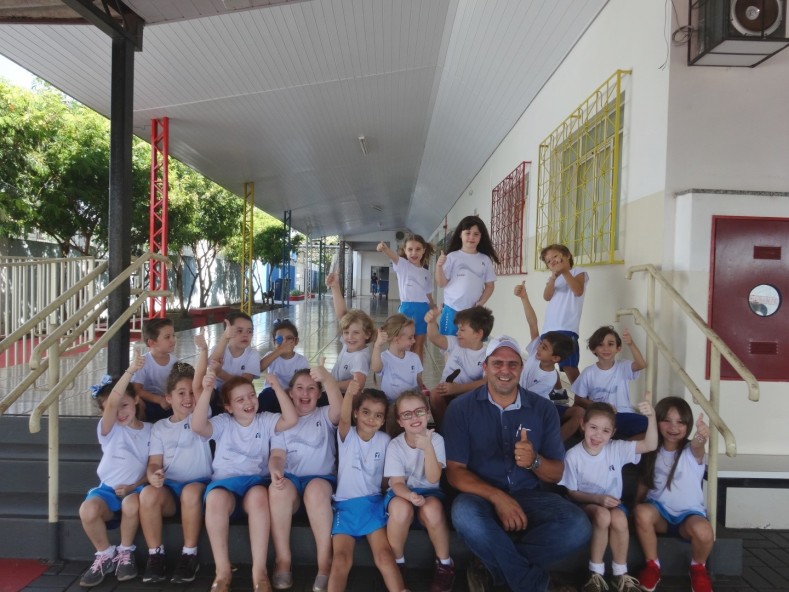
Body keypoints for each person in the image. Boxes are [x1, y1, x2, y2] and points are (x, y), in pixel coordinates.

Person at [442, 335, 591, 591]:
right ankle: (535, 582)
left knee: (578, 525)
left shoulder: (542, 409)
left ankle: (493, 567)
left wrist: (534, 461)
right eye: (497, 363)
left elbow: (556, 474)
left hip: (530, 495)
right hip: (481, 496)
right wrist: (499, 498)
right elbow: (455, 473)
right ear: (485, 367)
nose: (505, 370)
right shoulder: (461, 409)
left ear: (521, 369)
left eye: (512, 364)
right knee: (464, 513)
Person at [191, 365, 298, 592]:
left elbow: (290, 420)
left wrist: (278, 387)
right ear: (229, 407)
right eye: (239, 400)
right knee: (215, 499)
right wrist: (207, 390)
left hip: (253, 483)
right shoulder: (223, 422)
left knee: (260, 496)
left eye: (251, 395)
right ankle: (222, 571)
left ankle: (259, 571)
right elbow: (198, 426)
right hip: (225, 483)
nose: (248, 402)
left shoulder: (265, 420)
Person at [560, 399, 657, 592]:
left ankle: (620, 574)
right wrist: (598, 499)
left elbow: (650, 445)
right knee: (603, 516)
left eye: (605, 431)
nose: (598, 435)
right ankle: (595, 573)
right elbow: (572, 493)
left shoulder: (616, 448)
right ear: (583, 425)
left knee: (620, 519)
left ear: (612, 433)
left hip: (613, 505)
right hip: (586, 503)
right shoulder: (573, 455)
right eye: (593, 427)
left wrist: (651, 417)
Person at [268, 362, 342, 592]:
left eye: (311, 389)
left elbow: (339, 409)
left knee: (316, 490)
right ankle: (283, 559)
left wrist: (328, 379)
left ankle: (324, 562)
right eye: (299, 388)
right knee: (277, 490)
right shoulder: (282, 422)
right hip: (293, 482)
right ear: (290, 393)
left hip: (321, 482)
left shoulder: (324, 415)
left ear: (319, 394)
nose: (305, 393)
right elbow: (277, 455)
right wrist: (276, 470)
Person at [78, 357, 150, 587]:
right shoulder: (108, 429)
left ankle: (125, 552)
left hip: (135, 490)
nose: (120, 412)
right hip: (108, 491)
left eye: (125, 405)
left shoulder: (151, 431)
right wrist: (130, 371)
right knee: (87, 510)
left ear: (136, 400)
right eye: (113, 408)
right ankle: (105, 554)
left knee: (131, 503)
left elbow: (152, 468)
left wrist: (132, 487)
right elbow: (112, 403)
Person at [139, 362, 213, 585]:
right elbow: (154, 463)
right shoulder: (160, 427)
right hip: (171, 489)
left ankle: (189, 554)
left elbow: (200, 388)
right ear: (168, 398)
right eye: (181, 393)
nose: (187, 397)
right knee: (148, 495)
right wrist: (153, 475)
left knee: (191, 493)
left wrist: (203, 355)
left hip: (198, 484)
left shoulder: (201, 417)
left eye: (191, 392)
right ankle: (155, 555)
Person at [327, 382, 405, 592]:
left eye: (378, 415)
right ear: (355, 414)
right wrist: (350, 394)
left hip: (373, 506)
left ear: (383, 420)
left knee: (385, 556)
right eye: (366, 412)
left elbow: (385, 478)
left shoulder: (386, 440)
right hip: (346, 507)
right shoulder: (347, 435)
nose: (371, 418)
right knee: (341, 559)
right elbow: (342, 419)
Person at [634, 397, 714, 592]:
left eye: (680, 422)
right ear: (658, 421)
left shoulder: (691, 451)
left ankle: (698, 568)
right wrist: (635, 506)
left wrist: (701, 435)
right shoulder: (652, 449)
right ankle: (653, 565)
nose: (673, 427)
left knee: (705, 531)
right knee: (641, 512)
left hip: (688, 518)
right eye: (667, 420)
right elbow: (645, 482)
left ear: (687, 425)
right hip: (659, 514)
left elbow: (697, 445)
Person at [384, 391, 454, 592]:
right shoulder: (396, 445)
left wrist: (427, 448)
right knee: (399, 508)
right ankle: (397, 563)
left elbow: (433, 478)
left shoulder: (437, 440)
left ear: (428, 413)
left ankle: (445, 564)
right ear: (399, 421)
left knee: (433, 509)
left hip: (430, 493)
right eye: (407, 414)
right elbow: (396, 483)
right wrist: (409, 495)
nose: (414, 417)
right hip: (403, 494)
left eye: (419, 411)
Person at [514, 281, 584, 442]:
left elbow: (528, 397)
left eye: (544, 347)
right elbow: (533, 323)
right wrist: (524, 297)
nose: (538, 347)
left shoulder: (550, 377)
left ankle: (555, 443)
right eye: (541, 344)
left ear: (555, 359)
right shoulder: (534, 353)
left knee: (579, 412)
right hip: (526, 407)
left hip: (538, 409)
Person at [573, 326, 648, 440]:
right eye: (601, 345)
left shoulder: (623, 366)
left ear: (618, 348)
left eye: (610, 344)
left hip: (623, 415)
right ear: (594, 349)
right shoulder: (588, 373)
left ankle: (621, 446)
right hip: (600, 416)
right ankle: (615, 441)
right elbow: (578, 400)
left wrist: (631, 344)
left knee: (651, 426)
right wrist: (601, 407)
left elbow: (641, 364)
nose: (606, 348)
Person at [424, 305, 493, 427]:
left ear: (478, 334)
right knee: (435, 395)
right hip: (446, 393)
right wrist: (431, 321)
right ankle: (443, 431)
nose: (457, 333)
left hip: (468, 398)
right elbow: (434, 338)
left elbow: (486, 382)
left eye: (462, 330)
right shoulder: (455, 343)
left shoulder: (486, 355)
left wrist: (458, 389)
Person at [435, 215, 499, 336]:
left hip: (472, 312)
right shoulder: (452, 257)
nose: (471, 237)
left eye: (476, 234)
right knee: (449, 346)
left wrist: (481, 303)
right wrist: (438, 266)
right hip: (451, 309)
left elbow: (490, 286)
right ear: (460, 234)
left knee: (470, 346)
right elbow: (441, 283)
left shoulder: (485, 260)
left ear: (481, 237)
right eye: (468, 233)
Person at [377, 235, 435, 361]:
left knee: (418, 346)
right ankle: (400, 373)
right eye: (410, 249)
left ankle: (417, 378)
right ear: (405, 250)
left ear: (424, 250)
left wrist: (434, 313)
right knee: (401, 344)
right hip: (406, 310)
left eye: (418, 249)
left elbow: (429, 296)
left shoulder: (427, 273)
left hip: (423, 311)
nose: (414, 253)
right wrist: (384, 248)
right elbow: (392, 255)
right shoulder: (403, 265)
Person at [540, 244, 589, 385]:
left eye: (555, 256)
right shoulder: (553, 280)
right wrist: (553, 279)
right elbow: (547, 296)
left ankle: (581, 397)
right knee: (547, 362)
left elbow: (578, 291)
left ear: (567, 255)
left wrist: (564, 272)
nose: (552, 261)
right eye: (548, 261)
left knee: (569, 364)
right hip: (549, 328)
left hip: (567, 327)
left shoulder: (577, 272)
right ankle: (559, 391)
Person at [370, 313, 424, 433]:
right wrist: (377, 346)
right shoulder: (384, 358)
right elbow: (376, 368)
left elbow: (419, 382)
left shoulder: (414, 358)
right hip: (391, 403)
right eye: (410, 337)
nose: (414, 340)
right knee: (391, 418)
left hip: (411, 402)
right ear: (396, 339)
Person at [326, 272, 374, 392]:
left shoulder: (360, 357)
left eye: (356, 333)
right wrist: (335, 287)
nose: (350, 337)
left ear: (367, 334)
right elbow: (342, 315)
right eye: (346, 332)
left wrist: (331, 385)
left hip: (344, 399)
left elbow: (358, 384)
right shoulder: (349, 345)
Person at [210, 312, 262, 411]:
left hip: (241, 397)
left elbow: (245, 383)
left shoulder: (253, 354)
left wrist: (220, 373)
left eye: (249, 331)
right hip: (218, 396)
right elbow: (211, 365)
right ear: (227, 332)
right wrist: (224, 338)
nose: (245, 335)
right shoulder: (218, 349)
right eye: (239, 331)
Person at [258, 319, 309, 413]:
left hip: (291, 394)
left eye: (289, 338)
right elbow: (259, 368)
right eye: (280, 339)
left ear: (296, 341)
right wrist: (279, 351)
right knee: (266, 395)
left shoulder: (301, 360)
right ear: (274, 342)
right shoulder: (271, 355)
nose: (284, 343)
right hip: (272, 393)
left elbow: (303, 382)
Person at [131, 318, 177, 422]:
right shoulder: (143, 362)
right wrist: (159, 400)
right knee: (139, 404)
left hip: (168, 402)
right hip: (150, 403)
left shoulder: (175, 362)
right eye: (167, 337)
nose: (173, 340)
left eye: (173, 336)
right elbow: (137, 390)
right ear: (152, 342)